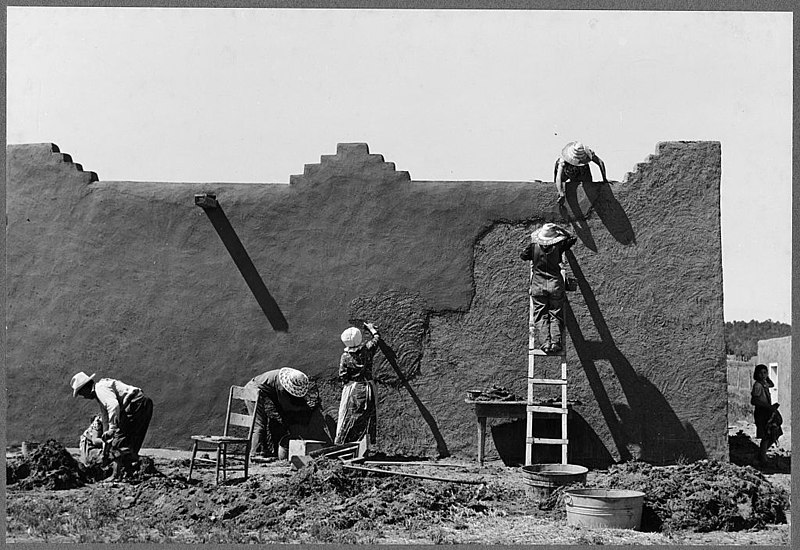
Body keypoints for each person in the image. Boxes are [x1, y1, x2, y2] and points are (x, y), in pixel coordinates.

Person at [70, 372, 154, 477]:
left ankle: (116, 475)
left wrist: (112, 429)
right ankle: (130, 470)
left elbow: (113, 406)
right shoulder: (101, 396)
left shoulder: (100, 388)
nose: (83, 396)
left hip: (134, 404)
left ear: (85, 388)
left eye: (81, 393)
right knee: (131, 443)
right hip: (143, 403)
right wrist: (106, 444)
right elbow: (105, 419)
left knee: (117, 444)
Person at [520, 223, 577, 354]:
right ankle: (555, 343)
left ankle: (545, 343)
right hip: (555, 284)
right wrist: (561, 230)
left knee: (540, 315)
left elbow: (523, 256)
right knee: (555, 313)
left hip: (538, 285)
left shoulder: (533, 247)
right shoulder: (559, 246)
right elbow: (572, 238)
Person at [244, 367, 321, 459]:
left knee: (262, 422)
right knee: (259, 425)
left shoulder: (282, 378)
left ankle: (263, 451)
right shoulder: (281, 387)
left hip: (255, 390)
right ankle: (254, 454)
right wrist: (303, 407)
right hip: (251, 392)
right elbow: (286, 406)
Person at [335, 322, 381, 445]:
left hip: (354, 389)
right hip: (369, 389)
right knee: (368, 416)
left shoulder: (345, 357)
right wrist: (372, 329)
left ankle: (346, 443)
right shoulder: (367, 350)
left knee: (350, 416)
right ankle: (366, 443)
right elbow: (376, 339)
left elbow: (343, 375)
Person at [554, 141, 608, 205]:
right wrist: (561, 193)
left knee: (588, 186)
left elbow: (600, 162)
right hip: (568, 171)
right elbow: (558, 177)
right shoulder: (563, 159)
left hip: (582, 171)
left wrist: (604, 179)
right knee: (559, 186)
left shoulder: (588, 153)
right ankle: (559, 192)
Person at [751, 363, 780, 465]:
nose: (763, 375)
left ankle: (761, 454)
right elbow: (754, 400)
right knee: (766, 435)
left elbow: (772, 385)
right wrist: (768, 406)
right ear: (757, 374)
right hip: (761, 412)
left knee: (772, 433)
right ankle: (762, 458)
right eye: (761, 373)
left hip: (767, 412)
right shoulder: (758, 385)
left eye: (765, 372)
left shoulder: (764, 383)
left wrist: (766, 378)